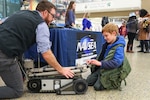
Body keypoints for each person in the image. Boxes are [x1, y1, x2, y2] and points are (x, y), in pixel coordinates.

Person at [0, 1, 74, 99]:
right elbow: (46, 53)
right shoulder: (41, 25)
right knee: (17, 90)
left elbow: (2, 22)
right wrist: (61, 69)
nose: (52, 20)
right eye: (52, 16)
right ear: (45, 13)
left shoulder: (22, 13)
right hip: (4, 54)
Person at [86, 23, 125, 90]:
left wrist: (100, 63)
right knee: (88, 81)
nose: (105, 38)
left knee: (97, 87)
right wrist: (93, 61)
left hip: (112, 70)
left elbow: (116, 63)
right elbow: (101, 57)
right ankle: (99, 77)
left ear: (114, 33)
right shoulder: (106, 44)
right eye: (104, 36)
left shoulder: (119, 47)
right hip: (103, 67)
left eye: (106, 36)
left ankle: (112, 82)